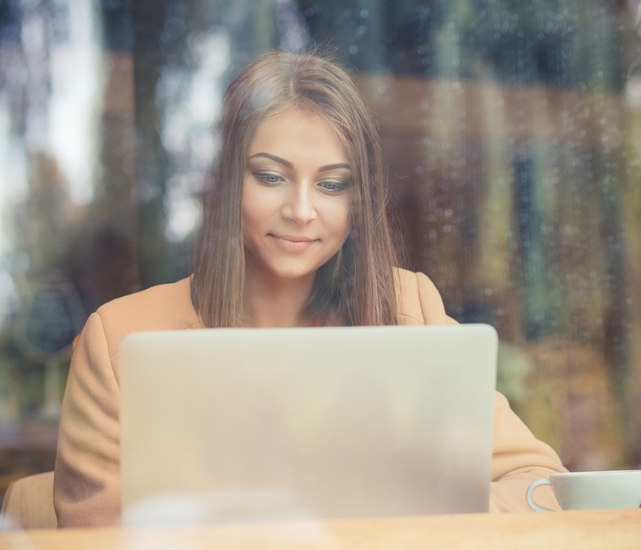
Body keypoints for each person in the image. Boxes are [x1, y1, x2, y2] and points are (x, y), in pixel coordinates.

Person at [54, 50, 566, 528]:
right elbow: (96, 537)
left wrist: (412, 522)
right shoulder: (119, 338)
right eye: (271, 177)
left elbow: (541, 486)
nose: (301, 211)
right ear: (227, 180)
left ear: (358, 198)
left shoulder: (407, 307)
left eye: (332, 184)